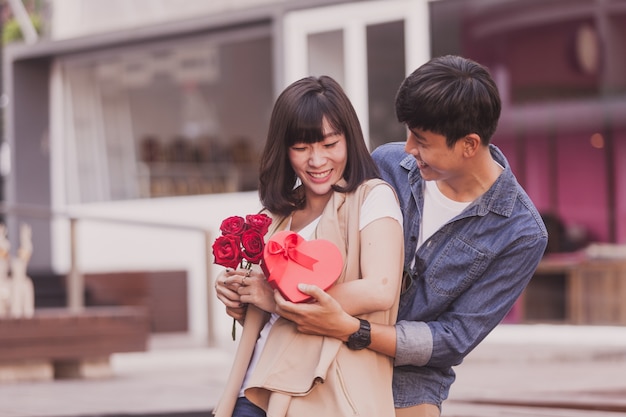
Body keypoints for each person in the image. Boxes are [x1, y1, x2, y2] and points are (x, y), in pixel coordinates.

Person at [274, 55, 549, 417]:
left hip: (411, 373)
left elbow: (453, 338)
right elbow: (317, 233)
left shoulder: (520, 232)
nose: (407, 148)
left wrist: (354, 329)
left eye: (421, 140)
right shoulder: (386, 165)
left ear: (469, 144)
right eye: (408, 133)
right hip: (326, 338)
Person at [213, 75, 404, 417]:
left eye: (330, 144)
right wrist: (241, 297)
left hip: (322, 395)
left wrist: (274, 297)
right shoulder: (277, 216)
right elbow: (273, 322)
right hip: (254, 388)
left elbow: (380, 290)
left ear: (350, 139)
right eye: (301, 148)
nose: (317, 161)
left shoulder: (372, 198)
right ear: (284, 150)